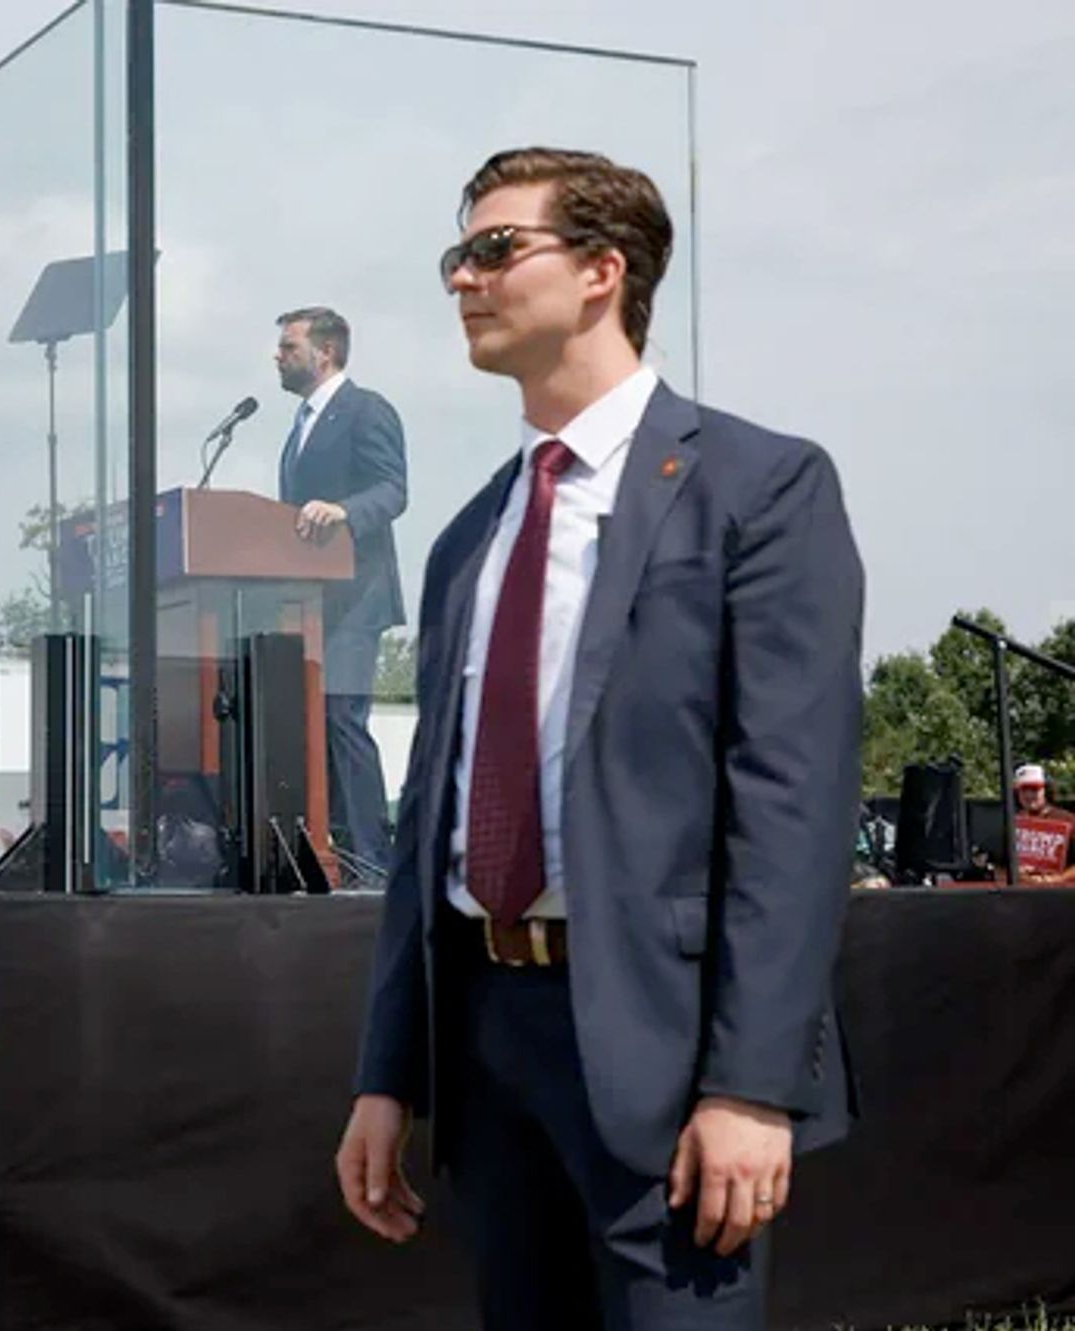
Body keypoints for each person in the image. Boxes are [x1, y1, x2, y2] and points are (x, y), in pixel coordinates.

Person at [337, 148, 863, 1330]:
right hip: (488, 1044)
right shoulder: (470, 531)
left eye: (491, 249)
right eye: (453, 256)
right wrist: (388, 1072)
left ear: (599, 272)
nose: (461, 280)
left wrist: (749, 1083)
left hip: (667, 1054)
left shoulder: (759, 488)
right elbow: (430, 814)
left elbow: (792, 801)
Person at [273, 307, 408, 885]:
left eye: (288, 346)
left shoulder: (365, 409)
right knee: (312, 723)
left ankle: (374, 863)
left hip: (354, 595)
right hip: (307, 602)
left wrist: (345, 512)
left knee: (341, 717)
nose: (277, 356)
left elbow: (393, 489)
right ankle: (332, 855)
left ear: (324, 352)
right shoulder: (296, 428)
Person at [1012, 764, 1075, 885]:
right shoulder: (1012, 823)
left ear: (1046, 790)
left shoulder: (1067, 820)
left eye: (1035, 789)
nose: (1029, 795)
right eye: (1024, 789)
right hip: (1021, 893)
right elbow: (1001, 865)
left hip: (1060, 895)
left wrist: (1057, 879)